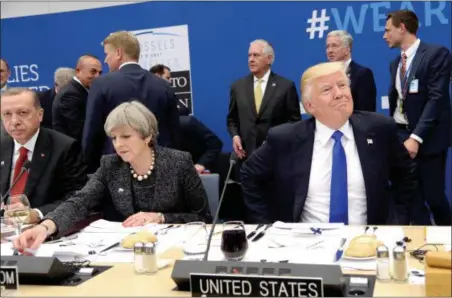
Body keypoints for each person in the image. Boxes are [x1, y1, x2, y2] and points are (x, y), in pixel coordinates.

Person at [13, 101, 212, 251]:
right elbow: (80, 201)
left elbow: (203, 218)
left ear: (147, 136)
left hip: (176, 251)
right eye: (114, 137)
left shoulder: (178, 162)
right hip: (125, 253)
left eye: (126, 136)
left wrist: (160, 217)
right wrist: (46, 227)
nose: (118, 144)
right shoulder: (110, 165)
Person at [241, 62, 416, 225]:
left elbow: (406, 174)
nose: (339, 94)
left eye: (342, 85)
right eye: (327, 89)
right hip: (307, 244)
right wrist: (267, 225)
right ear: (309, 106)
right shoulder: (284, 138)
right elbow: (249, 175)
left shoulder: (380, 129)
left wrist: (397, 221)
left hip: (368, 242)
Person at [384, 10, 452, 225]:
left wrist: (417, 137)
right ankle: (420, 247)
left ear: (402, 28)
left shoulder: (436, 54)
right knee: (411, 199)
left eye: (388, 30)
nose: (384, 36)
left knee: (434, 197)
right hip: (401, 136)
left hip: (428, 138)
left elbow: (436, 99)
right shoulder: (395, 64)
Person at [83, 31, 180, 173]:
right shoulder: (163, 85)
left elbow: (92, 133)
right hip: (159, 168)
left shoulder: (101, 84)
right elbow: (174, 133)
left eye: (106, 54)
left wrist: (91, 169)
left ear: (118, 53)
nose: (105, 60)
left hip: (116, 169)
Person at [0, 88, 87, 223]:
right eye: (7, 114)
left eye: (22, 113)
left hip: (44, 228)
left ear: (40, 115)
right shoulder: (2, 147)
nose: (14, 121)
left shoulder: (64, 147)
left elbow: (79, 196)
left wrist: (37, 213)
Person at [227, 39, 301, 162]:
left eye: (256, 55)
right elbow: (232, 119)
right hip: (247, 157)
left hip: (277, 157)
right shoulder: (237, 87)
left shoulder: (285, 86)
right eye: (249, 55)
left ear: (269, 59)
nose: (251, 59)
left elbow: (294, 122)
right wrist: (235, 136)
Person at [53, 55, 102, 142]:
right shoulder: (69, 95)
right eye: (93, 72)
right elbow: (78, 130)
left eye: (100, 73)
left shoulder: (82, 91)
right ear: (78, 71)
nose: (97, 76)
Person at [326, 30, 377, 112]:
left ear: (347, 49)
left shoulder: (362, 74)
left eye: (334, 46)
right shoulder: (325, 76)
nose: (330, 50)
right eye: (327, 47)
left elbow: (366, 112)